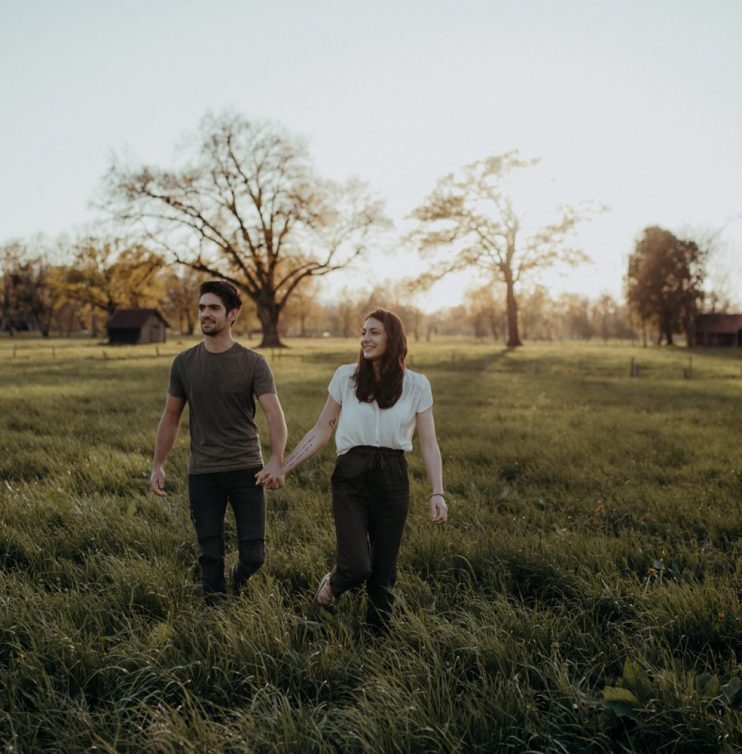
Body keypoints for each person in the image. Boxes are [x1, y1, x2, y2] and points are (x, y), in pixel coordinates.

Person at [257, 308, 447, 633]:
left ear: (393, 338)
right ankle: (327, 591)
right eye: (362, 332)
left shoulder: (417, 385)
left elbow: (429, 443)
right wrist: (283, 466)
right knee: (357, 565)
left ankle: (376, 639)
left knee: (384, 571)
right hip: (350, 476)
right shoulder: (346, 377)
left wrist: (437, 492)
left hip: (392, 477)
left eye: (374, 332)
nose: (365, 338)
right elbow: (321, 430)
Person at [150, 280, 287, 603]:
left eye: (213, 308)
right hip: (203, 471)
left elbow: (274, 415)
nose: (205, 314)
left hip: (247, 470)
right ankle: (216, 616)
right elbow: (171, 417)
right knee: (209, 554)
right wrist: (158, 464)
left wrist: (276, 459)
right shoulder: (184, 363)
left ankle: (238, 577)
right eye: (201, 308)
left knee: (254, 556)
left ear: (233, 314)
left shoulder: (253, 363)